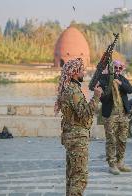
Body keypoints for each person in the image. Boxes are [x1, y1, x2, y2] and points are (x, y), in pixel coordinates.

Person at [54, 58, 103, 196]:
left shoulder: (68, 88)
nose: (84, 73)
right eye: (82, 70)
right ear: (75, 72)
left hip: (71, 136)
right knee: (79, 178)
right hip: (77, 138)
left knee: (72, 175)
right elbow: (85, 114)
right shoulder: (73, 91)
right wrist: (96, 96)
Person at [99, 60, 132, 175]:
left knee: (123, 139)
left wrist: (120, 83)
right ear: (111, 68)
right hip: (110, 115)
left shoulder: (122, 79)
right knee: (111, 140)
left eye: (120, 68)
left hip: (123, 114)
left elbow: (130, 89)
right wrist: (110, 84)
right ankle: (112, 164)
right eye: (115, 68)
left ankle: (120, 163)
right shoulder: (103, 79)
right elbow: (102, 98)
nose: (118, 70)